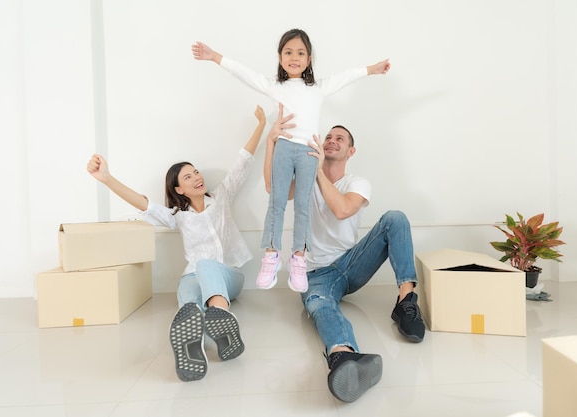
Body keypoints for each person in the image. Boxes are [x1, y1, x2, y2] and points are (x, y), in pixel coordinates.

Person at [192, 29, 390, 294]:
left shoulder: (318, 88)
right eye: (288, 52)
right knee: (276, 203)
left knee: (303, 206)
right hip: (284, 146)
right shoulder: (275, 87)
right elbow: (244, 73)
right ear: (280, 57)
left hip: (309, 151)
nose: (294, 58)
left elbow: (347, 76)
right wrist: (214, 56)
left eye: (300, 53)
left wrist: (372, 69)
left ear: (309, 59)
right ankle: (271, 257)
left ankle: (298, 258)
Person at [86, 106, 267, 382]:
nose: (197, 177)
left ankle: (219, 315)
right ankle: (195, 349)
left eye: (196, 172)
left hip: (228, 275)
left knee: (206, 265)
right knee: (188, 303)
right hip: (192, 275)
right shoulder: (177, 217)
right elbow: (144, 203)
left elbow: (243, 161)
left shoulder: (221, 197)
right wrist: (107, 179)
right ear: (178, 190)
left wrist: (262, 125)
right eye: (188, 177)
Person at [264, 105, 426, 403]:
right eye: (328, 137)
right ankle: (343, 358)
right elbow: (271, 188)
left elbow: (341, 210)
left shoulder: (357, 183)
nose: (331, 141)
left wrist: (316, 171)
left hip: (352, 265)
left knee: (395, 217)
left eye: (340, 139)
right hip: (315, 274)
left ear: (351, 151)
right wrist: (271, 141)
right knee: (320, 306)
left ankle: (406, 301)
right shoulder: (304, 180)